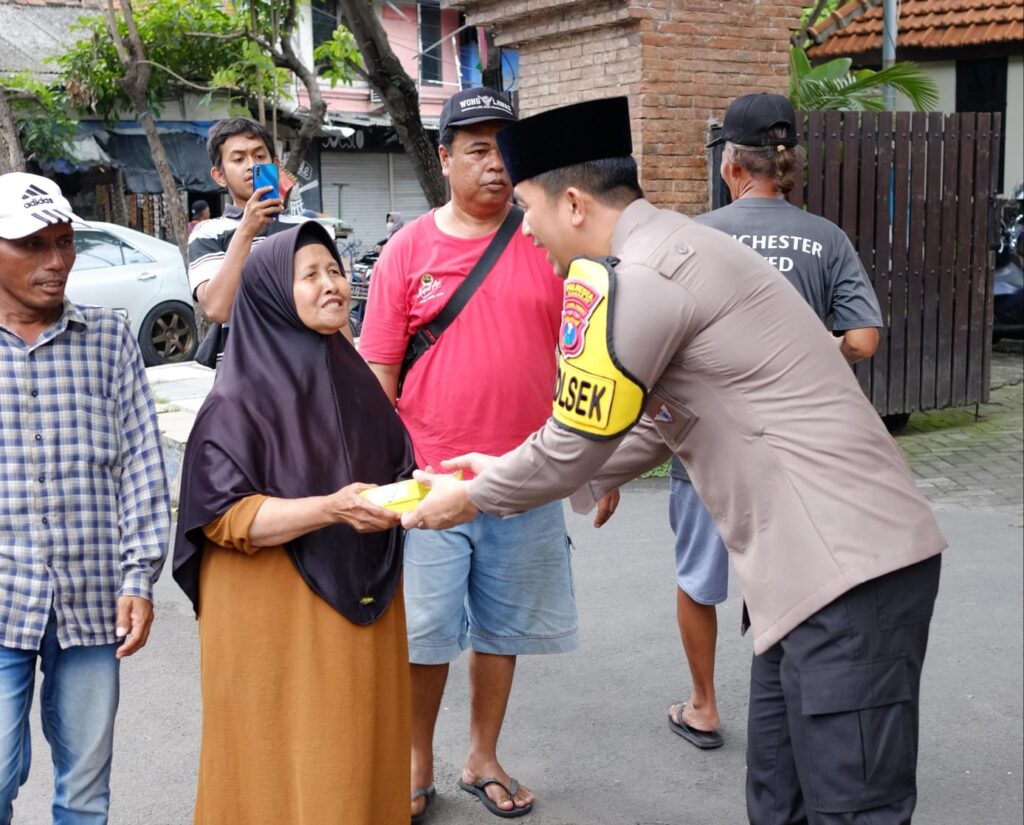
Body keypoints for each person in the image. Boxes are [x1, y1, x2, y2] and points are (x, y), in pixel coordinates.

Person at [402, 97, 947, 824]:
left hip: (850, 565)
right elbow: (660, 418)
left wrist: (474, 496)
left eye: (528, 209)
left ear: (571, 202)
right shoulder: (670, 252)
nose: (524, 231)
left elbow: (573, 436)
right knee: (778, 795)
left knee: (852, 806)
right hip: (808, 576)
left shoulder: (648, 276)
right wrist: (524, 471)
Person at [359, 87, 579, 820]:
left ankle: (482, 754)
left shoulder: (546, 239)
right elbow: (378, 377)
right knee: (424, 635)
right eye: (477, 148)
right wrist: (377, 478)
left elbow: (581, 360)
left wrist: (594, 466)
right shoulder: (408, 251)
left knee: (502, 625)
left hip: (524, 478)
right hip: (428, 484)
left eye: (502, 148)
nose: (493, 163)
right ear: (444, 156)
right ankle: (416, 761)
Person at [172, 221, 414, 825]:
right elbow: (226, 516)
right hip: (272, 613)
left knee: (356, 744)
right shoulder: (237, 398)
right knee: (279, 755)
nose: (332, 284)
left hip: (363, 592)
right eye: (310, 275)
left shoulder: (355, 379)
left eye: (334, 270)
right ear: (272, 293)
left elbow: (395, 467)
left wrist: (432, 493)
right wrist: (332, 507)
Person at [664, 92, 884, 750]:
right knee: (792, 577)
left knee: (698, 578)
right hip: (797, 451)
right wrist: (825, 350)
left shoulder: (694, 238)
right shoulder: (827, 239)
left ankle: (704, 706)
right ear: (786, 167)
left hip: (707, 447)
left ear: (733, 166)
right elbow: (865, 340)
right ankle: (791, 708)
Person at [0, 172, 170, 824]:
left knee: (85, 794)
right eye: (33, 244)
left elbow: (140, 465)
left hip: (91, 597)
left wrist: (139, 573)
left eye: (65, 242)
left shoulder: (106, 339)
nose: (55, 261)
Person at [187, 117, 298, 363]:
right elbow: (217, 308)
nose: (251, 166)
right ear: (219, 175)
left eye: (260, 157)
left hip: (303, 365)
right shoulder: (207, 233)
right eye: (238, 159)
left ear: (275, 165)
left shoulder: (305, 229)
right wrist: (247, 230)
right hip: (242, 373)